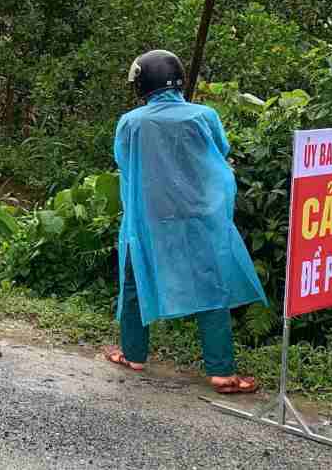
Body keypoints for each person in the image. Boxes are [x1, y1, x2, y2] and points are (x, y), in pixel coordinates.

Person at [101, 49, 265, 395]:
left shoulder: (131, 122)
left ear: (142, 84)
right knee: (210, 287)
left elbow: (123, 160)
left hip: (149, 218)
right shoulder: (204, 116)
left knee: (134, 280)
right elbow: (219, 153)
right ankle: (221, 372)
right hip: (199, 217)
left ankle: (133, 354)